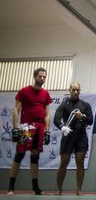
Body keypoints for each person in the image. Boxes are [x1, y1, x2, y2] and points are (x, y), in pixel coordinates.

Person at [7, 67, 52, 196]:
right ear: (34, 76)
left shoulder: (45, 94)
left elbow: (48, 113)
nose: (42, 79)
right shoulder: (24, 91)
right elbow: (16, 109)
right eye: (40, 76)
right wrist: (15, 128)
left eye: (44, 77)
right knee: (20, 154)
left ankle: (35, 188)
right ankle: (11, 188)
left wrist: (47, 131)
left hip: (39, 127)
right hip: (26, 127)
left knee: (35, 156)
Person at [54, 81, 93, 195]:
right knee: (63, 163)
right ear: (69, 90)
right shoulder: (64, 104)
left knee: (80, 163)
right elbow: (56, 119)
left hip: (81, 137)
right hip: (68, 136)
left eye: (78, 90)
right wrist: (62, 128)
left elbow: (90, 121)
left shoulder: (85, 105)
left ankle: (78, 189)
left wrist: (83, 116)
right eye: (74, 90)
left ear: (80, 91)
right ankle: (59, 189)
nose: (76, 92)